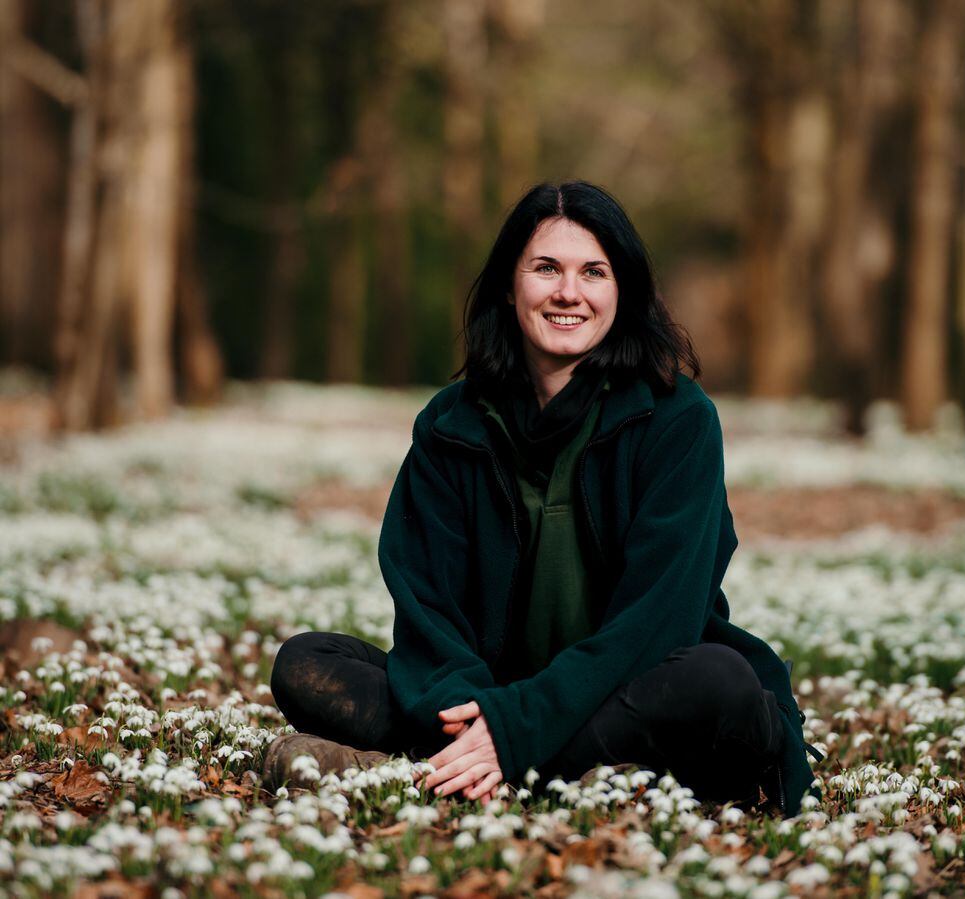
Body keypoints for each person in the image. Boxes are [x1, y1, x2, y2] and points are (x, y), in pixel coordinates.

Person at [266, 180, 821, 814]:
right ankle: (544, 769)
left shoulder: (679, 422)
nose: (568, 293)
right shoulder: (451, 426)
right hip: (500, 691)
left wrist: (518, 725)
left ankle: (438, 767)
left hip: (636, 686)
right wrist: (493, 712)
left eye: (594, 272)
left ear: (624, 291)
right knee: (307, 663)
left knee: (720, 682)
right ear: (510, 284)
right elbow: (427, 607)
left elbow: (657, 623)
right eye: (546, 269)